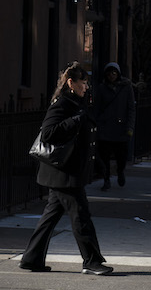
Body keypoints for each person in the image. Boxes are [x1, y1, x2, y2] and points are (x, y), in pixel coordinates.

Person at [19, 62, 113, 276]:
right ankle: (92, 261)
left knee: (51, 216)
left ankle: (31, 258)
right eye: (83, 83)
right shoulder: (62, 104)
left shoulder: (76, 103)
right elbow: (48, 133)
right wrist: (76, 120)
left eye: (87, 83)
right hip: (64, 173)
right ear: (71, 83)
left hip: (67, 171)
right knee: (81, 216)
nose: (86, 87)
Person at [93, 62, 136, 190]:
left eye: (114, 73)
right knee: (104, 156)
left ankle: (120, 171)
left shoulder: (126, 87)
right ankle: (106, 179)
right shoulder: (102, 88)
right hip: (104, 127)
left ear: (118, 74)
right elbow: (97, 108)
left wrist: (130, 127)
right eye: (109, 73)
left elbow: (131, 108)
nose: (111, 76)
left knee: (121, 156)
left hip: (121, 128)